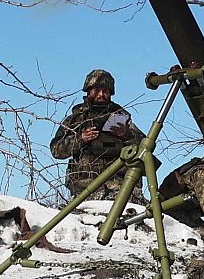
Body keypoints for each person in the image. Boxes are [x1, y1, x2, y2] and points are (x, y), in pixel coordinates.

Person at [49, 69, 145, 201]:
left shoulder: (121, 118)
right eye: (97, 90)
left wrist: (127, 135)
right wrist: (80, 138)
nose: (101, 94)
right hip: (85, 190)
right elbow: (56, 150)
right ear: (89, 91)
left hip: (122, 189)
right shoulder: (76, 120)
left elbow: (146, 145)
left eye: (106, 91)